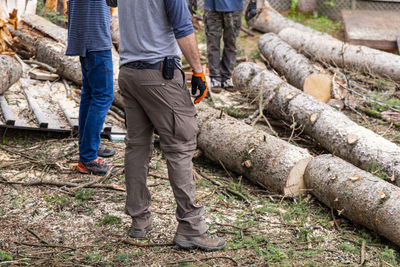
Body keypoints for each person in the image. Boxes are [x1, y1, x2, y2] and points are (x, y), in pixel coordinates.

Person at [106, 0, 225, 252]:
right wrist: (198, 71)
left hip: (129, 73)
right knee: (180, 146)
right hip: (159, 73)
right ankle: (191, 228)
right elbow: (183, 28)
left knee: (136, 147)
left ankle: (139, 221)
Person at [66, 0, 115, 176]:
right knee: (103, 96)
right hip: (95, 38)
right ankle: (87, 157)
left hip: (87, 36)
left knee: (90, 95)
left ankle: (88, 144)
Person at [202, 0, 244, 92]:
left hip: (234, 7)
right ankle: (215, 78)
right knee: (213, 44)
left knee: (231, 44)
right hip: (212, 7)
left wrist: (253, 3)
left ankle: (226, 78)